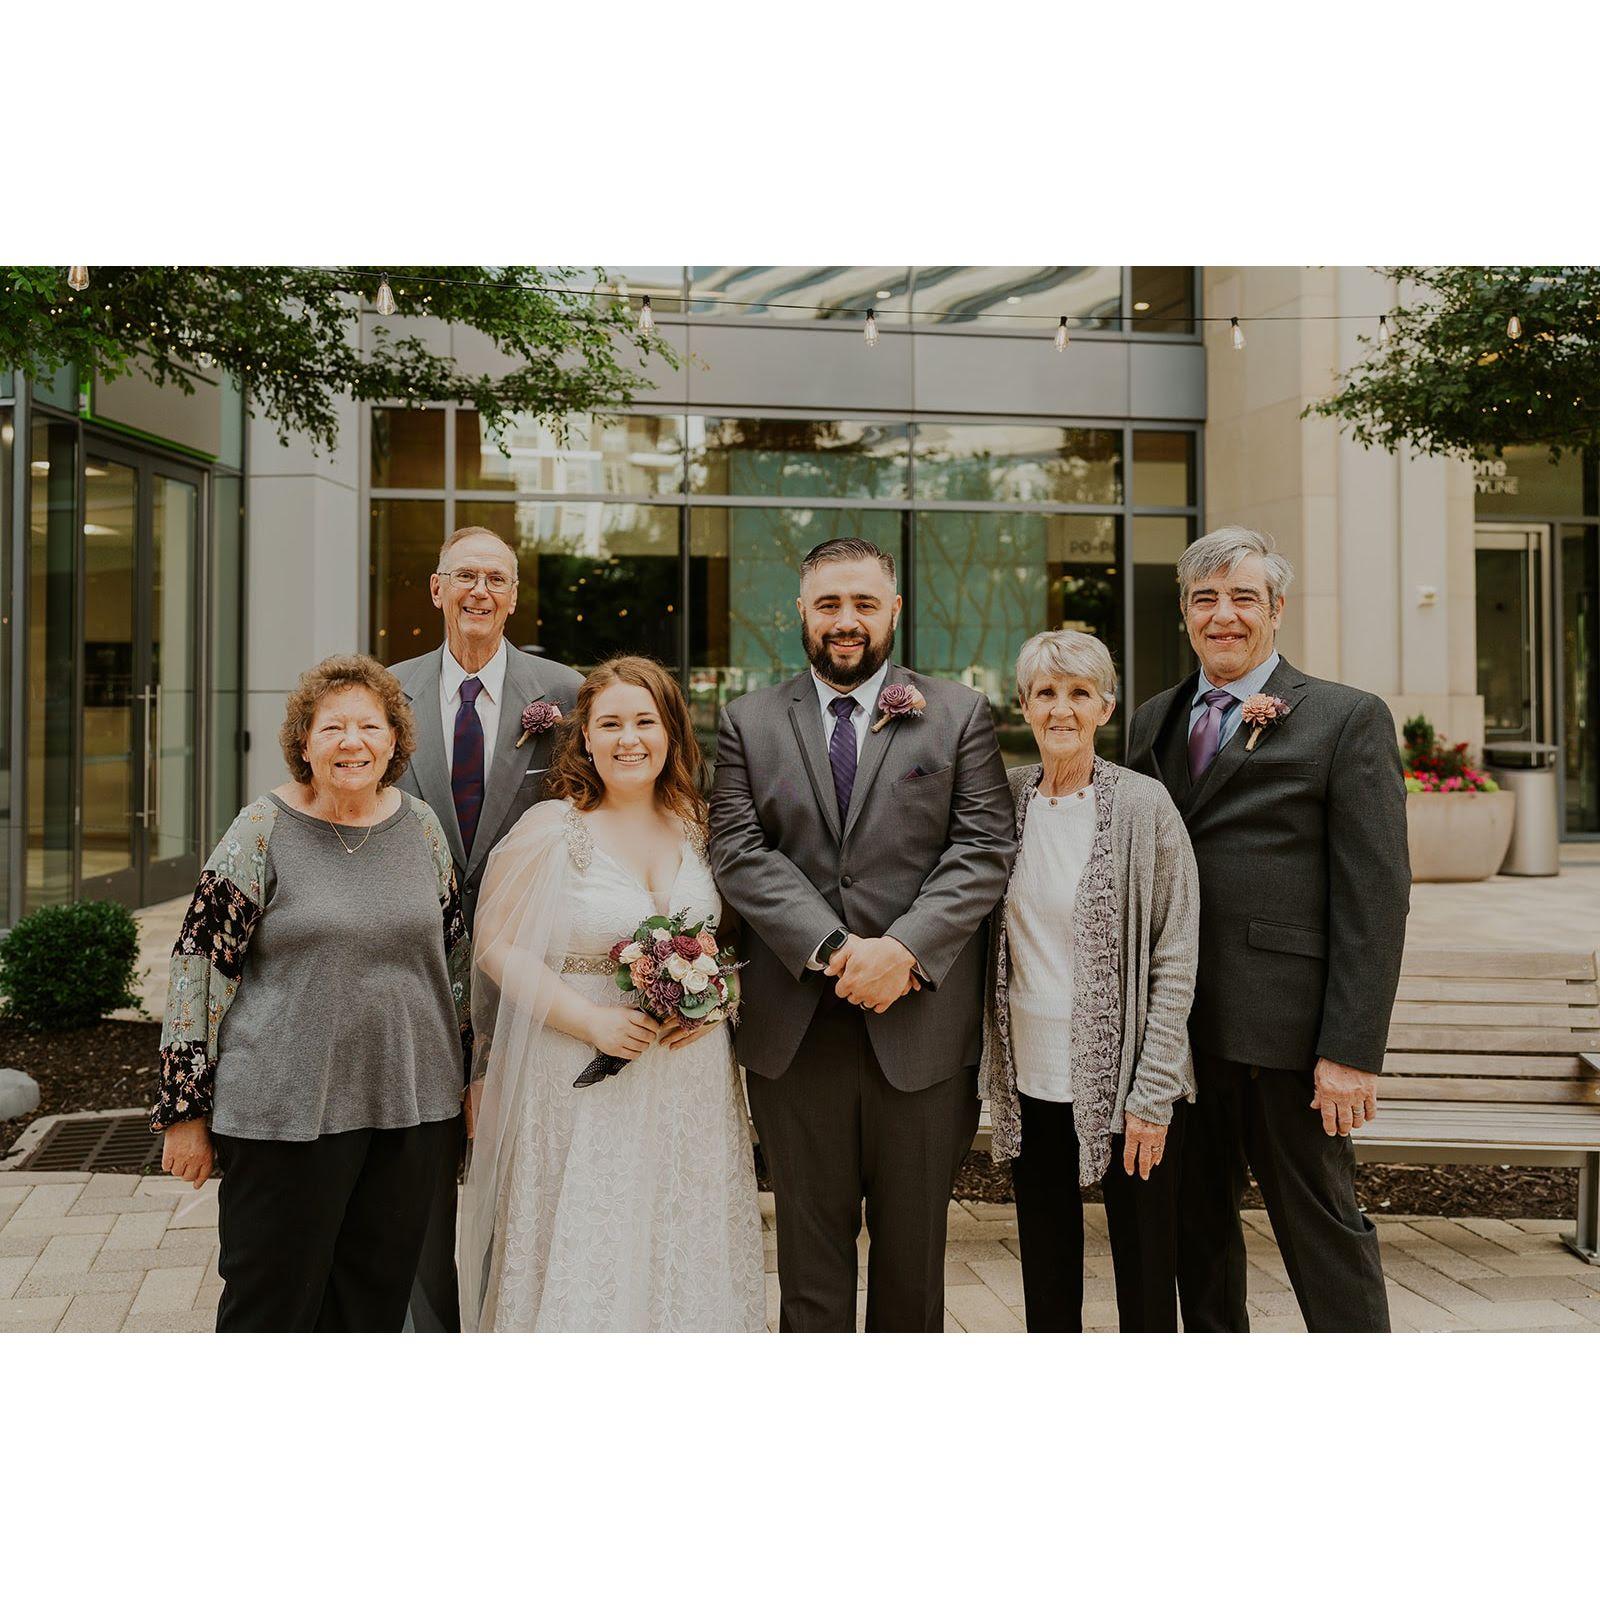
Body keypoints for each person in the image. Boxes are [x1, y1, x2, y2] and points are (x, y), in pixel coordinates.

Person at [709, 538, 1016, 1333]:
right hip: (796, 1032)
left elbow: (982, 848)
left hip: (920, 1032)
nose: (847, 621)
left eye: (864, 604)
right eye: (829, 604)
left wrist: (905, 953)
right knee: (810, 1263)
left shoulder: (958, 714)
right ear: (802, 612)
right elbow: (740, 851)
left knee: (913, 1265)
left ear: (894, 611)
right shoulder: (747, 721)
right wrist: (837, 951)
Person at [1126, 525, 1410, 1333]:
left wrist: (1350, 1051)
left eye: (1243, 598)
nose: (1224, 615)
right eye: (1205, 598)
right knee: (1199, 1240)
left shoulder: (1345, 718)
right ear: (1184, 611)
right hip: (1178, 1037)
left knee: (1323, 1234)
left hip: (1289, 1043)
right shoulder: (1153, 719)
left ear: (1276, 609)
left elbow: (1377, 896)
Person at [152, 655, 471, 1333]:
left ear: (393, 741)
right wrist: (184, 1110)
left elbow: (456, 962)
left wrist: (470, 1080)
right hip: (282, 1113)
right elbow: (198, 968)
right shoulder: (261, 830)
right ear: (304, 742)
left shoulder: (419, 827)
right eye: (332, 728)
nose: (351, 742)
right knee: (271, 1308)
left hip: (410, 1109)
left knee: (372, 1306)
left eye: (368, 726)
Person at [458, 655, 764, 1332]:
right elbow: (495, 944)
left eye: (646, 722)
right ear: (587, 739)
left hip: (689, 1074)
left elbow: (730, 944)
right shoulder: (552, 831)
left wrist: (718, 1002)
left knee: (680, 1227)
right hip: (578, 1067)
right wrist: (590, 1020)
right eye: (612, 723)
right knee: (593, 1231)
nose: (630, 739)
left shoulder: (700, 826)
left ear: (672, 733)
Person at [387, 525, 581, 1333]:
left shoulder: (566, 694)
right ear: (436, 590)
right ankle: (427, 1333)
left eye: (495, 579)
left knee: (518, 1164)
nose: (479, 592)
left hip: (528, 967)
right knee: (417, 1168)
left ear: (513, 595)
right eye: (463, 576)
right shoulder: (384, 692)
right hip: (412, 970)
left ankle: (512, 1322)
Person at [981, 630, 1199, 1333]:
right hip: (1032, 1078)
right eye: (1046, 692)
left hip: (1130, 1083)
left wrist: (1154, 1090)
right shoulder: (1003, 801)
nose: (1062, 709)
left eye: (1080, 693)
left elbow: (1176, 955)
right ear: (1023, 705)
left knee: (1143, 1280)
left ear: (1106, 706)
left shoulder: (1144, 807)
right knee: (1046, 1274)